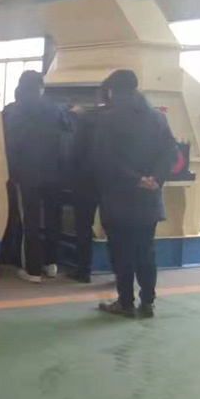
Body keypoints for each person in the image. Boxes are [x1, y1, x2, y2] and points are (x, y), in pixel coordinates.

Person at [93, 69, 177, 317]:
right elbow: (170, 153)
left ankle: (125, 302)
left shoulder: (108, 120)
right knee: (146, 250)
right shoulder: (158, 118)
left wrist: (135, 178)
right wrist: (155, 178)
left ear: (112, 91)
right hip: (149, 196)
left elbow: (105, 159)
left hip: (119, 197)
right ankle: (148, 302)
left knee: (121, 251)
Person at [2, 71, 71, 283]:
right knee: (52, 218)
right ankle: (51, 264)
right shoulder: (56, 109)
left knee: (29, 220)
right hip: (54, 173)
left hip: (26, 174)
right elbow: (68, 131)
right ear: (41, 87)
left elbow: (6, 142)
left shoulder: (12, 111)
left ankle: (32, 270)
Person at [68, 77, 113, 283]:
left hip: (86, 180)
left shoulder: (88, 118)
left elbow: (76, 150)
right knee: (113, 227)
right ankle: (120, 270)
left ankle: (83, 270)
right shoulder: (124, 119)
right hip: (113, 180)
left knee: (83, 226)